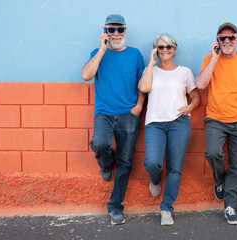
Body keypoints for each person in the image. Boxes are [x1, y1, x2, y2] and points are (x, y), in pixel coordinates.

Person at [81, 14, 145, 225]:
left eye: (120, 30)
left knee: (126, 163)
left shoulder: (135, 54)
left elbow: (142, 83)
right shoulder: (97, 53)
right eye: (111, 30)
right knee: (99, 143)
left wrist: (138, 107)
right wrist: (101, 49)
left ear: (125, 31)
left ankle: (115, 206)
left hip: (129, 114)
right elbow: (86, 75)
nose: (116, 34)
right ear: (105, 32)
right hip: (104, 113)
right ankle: (106, 164)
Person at [196, 22, 237, 225]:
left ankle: (231, 206)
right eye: (223, 38)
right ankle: (219, 178)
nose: (227, 41)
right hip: (216, 119)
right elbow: (201, 84)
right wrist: (214, 58)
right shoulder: (209, 59)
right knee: (214, 152)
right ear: (217, 41)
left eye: (232, 37)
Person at [138, 33, 200, 225]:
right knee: (152, 162)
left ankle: (166, 208)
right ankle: (155, 180)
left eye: (168, 47)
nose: (165, 50)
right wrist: (150, 63)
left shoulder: (185, 72)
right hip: (155, 123)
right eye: (160, 47)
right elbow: (144, 88)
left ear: (174, 49)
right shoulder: (151, 71)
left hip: (179, 123)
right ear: (155, 49)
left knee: (175, 168)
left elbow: (196, 97)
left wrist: (190, 107)